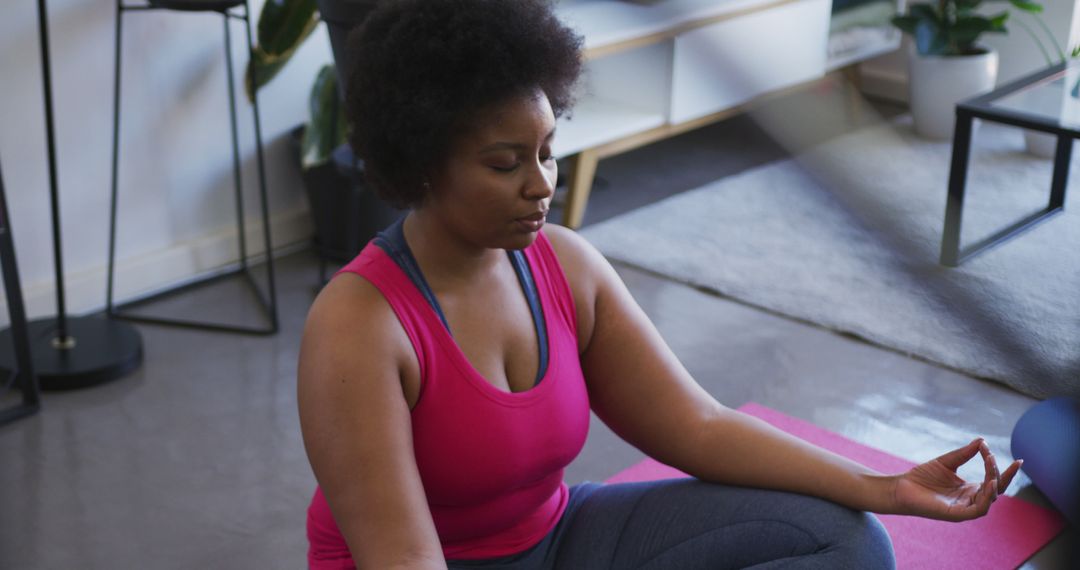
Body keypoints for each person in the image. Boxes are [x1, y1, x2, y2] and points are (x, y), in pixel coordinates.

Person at [296, 1, 1022, 568]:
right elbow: (402, 558)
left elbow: (697, 426)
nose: (541, 184)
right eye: (504, 163)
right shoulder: (360, 324)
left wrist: (885, 488)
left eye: (548, 152)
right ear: (423, 162)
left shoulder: (565, 265)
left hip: (560, 540)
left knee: (845, 544)